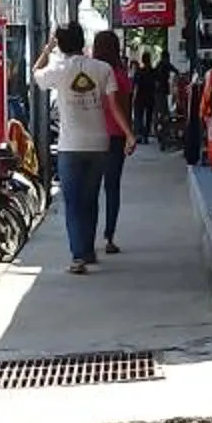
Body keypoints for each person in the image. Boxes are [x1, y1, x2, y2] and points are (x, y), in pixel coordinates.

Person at [30, 19, 119, 273]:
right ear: (82, 41)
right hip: (99, 143)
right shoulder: (103, 69)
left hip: (71, 145)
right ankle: (88, 250)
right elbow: (113, 104)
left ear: (61, 43)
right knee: (90, 199)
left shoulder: (58, 70)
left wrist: (47, 49)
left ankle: (78, 256)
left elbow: (35, 73)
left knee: (73, 202)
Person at [89, 26, 136, 257]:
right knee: (112, 187)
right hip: (115, 136)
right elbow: (126, 106)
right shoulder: (119, 74)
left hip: (91, 135)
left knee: (91, 188)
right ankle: (109, 236)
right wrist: (130, 133)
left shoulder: (91, 73)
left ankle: (87, 237)